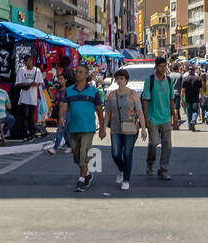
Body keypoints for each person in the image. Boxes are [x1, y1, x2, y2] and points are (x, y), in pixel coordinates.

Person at [60, 63, 106, 192]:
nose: (77, 74)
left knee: (84, 153)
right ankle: (87, 173)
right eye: (77, 72)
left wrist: (102, 128)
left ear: (86, 74)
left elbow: (99, 110)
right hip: (73, 127)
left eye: (81, 72)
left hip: (88, 128)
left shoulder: (93, 91)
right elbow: (63, 106)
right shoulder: (69, 91)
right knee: (77, 156)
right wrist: (61, 118)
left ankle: (81, 180)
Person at [106, 68, 147, 190]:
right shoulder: (112, 95)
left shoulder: (133, 94)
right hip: (115, 128)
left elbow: (139, 112)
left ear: (126, 80)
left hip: (131, 127)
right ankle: (122, 169)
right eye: (117, 78)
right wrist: (103, 128)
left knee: (127, 153)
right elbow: (107, 112)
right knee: (115, 153)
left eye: (122, 78)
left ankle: (126, 179)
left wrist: (144, 129)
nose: (119, 81)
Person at [142, 56, 175, 180]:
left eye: (164, 66)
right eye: (160, 66)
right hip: (153, 118)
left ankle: (164, 169)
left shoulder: (169, 81)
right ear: (156, 66)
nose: (163, 68)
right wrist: (146, 118)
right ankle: (150, 164)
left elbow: (172, 100)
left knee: (167, 145)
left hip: (166, 118)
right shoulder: (149, 80)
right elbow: (145, 101)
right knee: (154, 142)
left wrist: (175, 117)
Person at [14, 54, 45, 139]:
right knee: (25, 116)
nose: (30, 62)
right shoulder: (21, 70)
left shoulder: (37, 70)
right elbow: (18, 84)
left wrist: (35, 84)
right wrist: (29, 84)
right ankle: (24, 133)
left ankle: (32, 133)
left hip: (33, 98)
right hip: (24, 97)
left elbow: (40, 82)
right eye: (28, 61)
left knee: (31, 116)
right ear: (24, 62)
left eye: (31, 60)